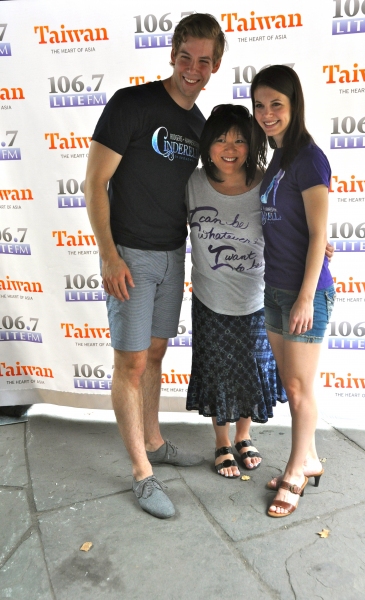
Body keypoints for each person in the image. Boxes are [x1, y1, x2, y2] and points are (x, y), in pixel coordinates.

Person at [84, 14, 226, 519]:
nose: (193, 68)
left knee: (157, 353)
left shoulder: (200, 124)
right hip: (131, 255)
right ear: (172, 53)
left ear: (215, 66)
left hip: (173, 253)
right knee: (131, 362)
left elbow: (231, 188)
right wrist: (108, 253)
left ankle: (155, 441)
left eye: (204, 60)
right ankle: (142, 474)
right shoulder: (132, 104)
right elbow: (94, 182)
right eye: (185, 56)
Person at [251, 65, 335, 517]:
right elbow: (302, 224)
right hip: (275, 288)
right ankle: (312, 458)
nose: (267, 114)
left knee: (300, 390)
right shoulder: (279, 158)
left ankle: (295, 471)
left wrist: (306, 296)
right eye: (260, 106)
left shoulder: (308, 157)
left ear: (294, 105)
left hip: (305, 293)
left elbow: (319, 233)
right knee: (293, 385)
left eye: (276, 105)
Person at [186, 104, 287, 478]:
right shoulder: (192, 183)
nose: (230, 148)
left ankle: (244, 436)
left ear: (252, 145)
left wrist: (318, 244)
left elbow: (290, 224)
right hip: (210, 299)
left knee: (252, 369)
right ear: (208, 144)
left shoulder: (265, 184)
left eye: (240, 140)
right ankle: (221, 442)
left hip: (255, 299)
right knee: (217, 371)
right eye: (221, 139)